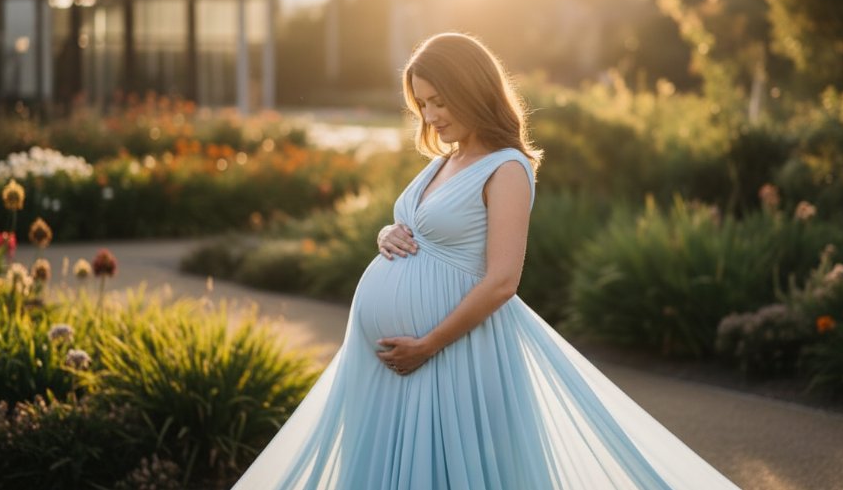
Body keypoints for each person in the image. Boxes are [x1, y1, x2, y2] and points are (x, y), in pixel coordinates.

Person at [232, 33, 740, 489]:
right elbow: (423, 232)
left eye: (439, 101)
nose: (430, 116)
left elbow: (502, 281)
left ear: (473, 88)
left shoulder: (507, 168)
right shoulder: (443, 162)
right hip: (393, 363)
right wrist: (386, 232)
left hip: (452, 354)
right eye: (422, 104)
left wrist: (428, 344)